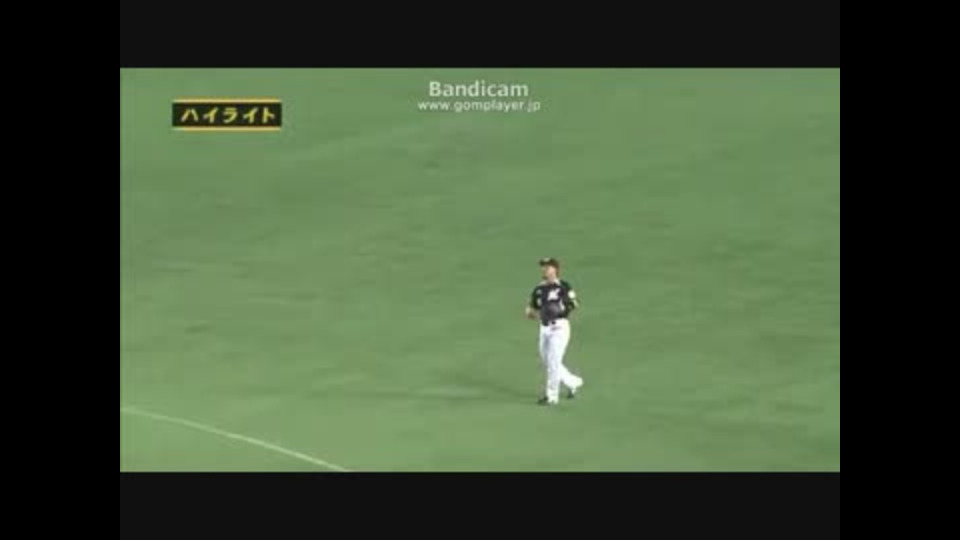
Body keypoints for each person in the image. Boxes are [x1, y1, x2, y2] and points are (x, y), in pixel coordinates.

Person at [525, 257, 584, 405]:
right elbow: (532, 307)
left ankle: (552, 397)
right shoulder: (539, 289)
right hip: (544, 328)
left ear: (555, 269)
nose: (544, 269)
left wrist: (561, 308)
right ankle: (573, 383)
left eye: (548, 266)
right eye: (543, 266)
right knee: (548, 361)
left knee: (553, 362)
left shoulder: (563, 286)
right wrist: (530, 312)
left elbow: (574, 303)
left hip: (559, 328)